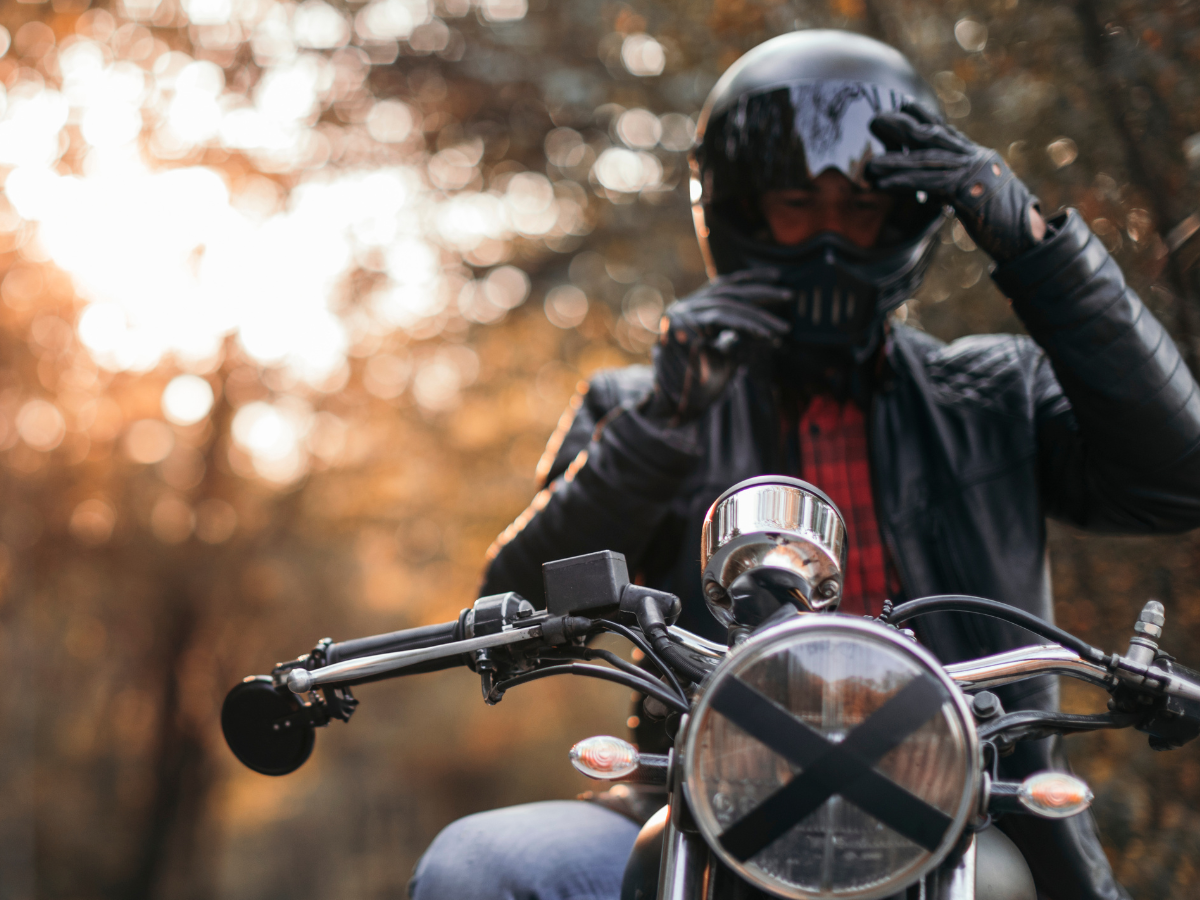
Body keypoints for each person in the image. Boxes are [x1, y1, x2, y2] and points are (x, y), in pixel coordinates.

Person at [409, 30, 1200, 900]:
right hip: (691, 800)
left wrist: (1034, 244)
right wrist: (664, 423)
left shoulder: (997, 392)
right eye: (797, 204)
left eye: (859, 209)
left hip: (971, 807)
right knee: (476, 868)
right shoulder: (639, 405)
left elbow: (1176, 478)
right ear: (745, 211)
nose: (830, 237)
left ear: (907, 215)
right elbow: (515, 602)